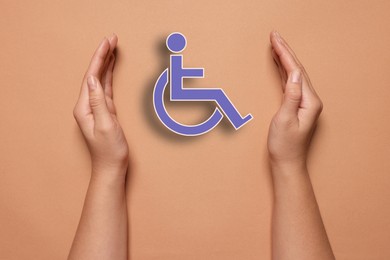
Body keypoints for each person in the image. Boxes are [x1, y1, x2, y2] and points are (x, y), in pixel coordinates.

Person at [68, 31, 335, 260]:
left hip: (175, 92)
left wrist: (108, 168)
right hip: (177, 92)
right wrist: (290, 163)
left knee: (214, 95)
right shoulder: (173, 66)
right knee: (215, 95)